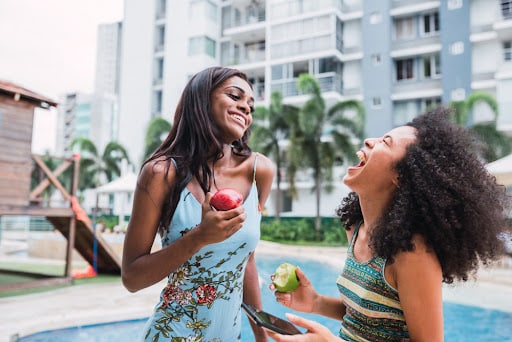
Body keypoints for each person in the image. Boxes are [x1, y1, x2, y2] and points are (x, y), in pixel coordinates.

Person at [269, 107, 511, 341]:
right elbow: (369, 321)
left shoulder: (411, 253)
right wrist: (315, 302)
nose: (368, 141)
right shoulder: (356, 229)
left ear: (401, 175)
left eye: (385, 142)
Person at [121, 66, 275, 341]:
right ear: (202, 100)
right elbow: (132, 277)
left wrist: (262, 336)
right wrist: (200, 237)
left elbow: (246, 259)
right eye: (235, 96)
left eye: (250, 104)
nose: (246, 108)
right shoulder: (161, 174)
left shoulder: (259, 172)